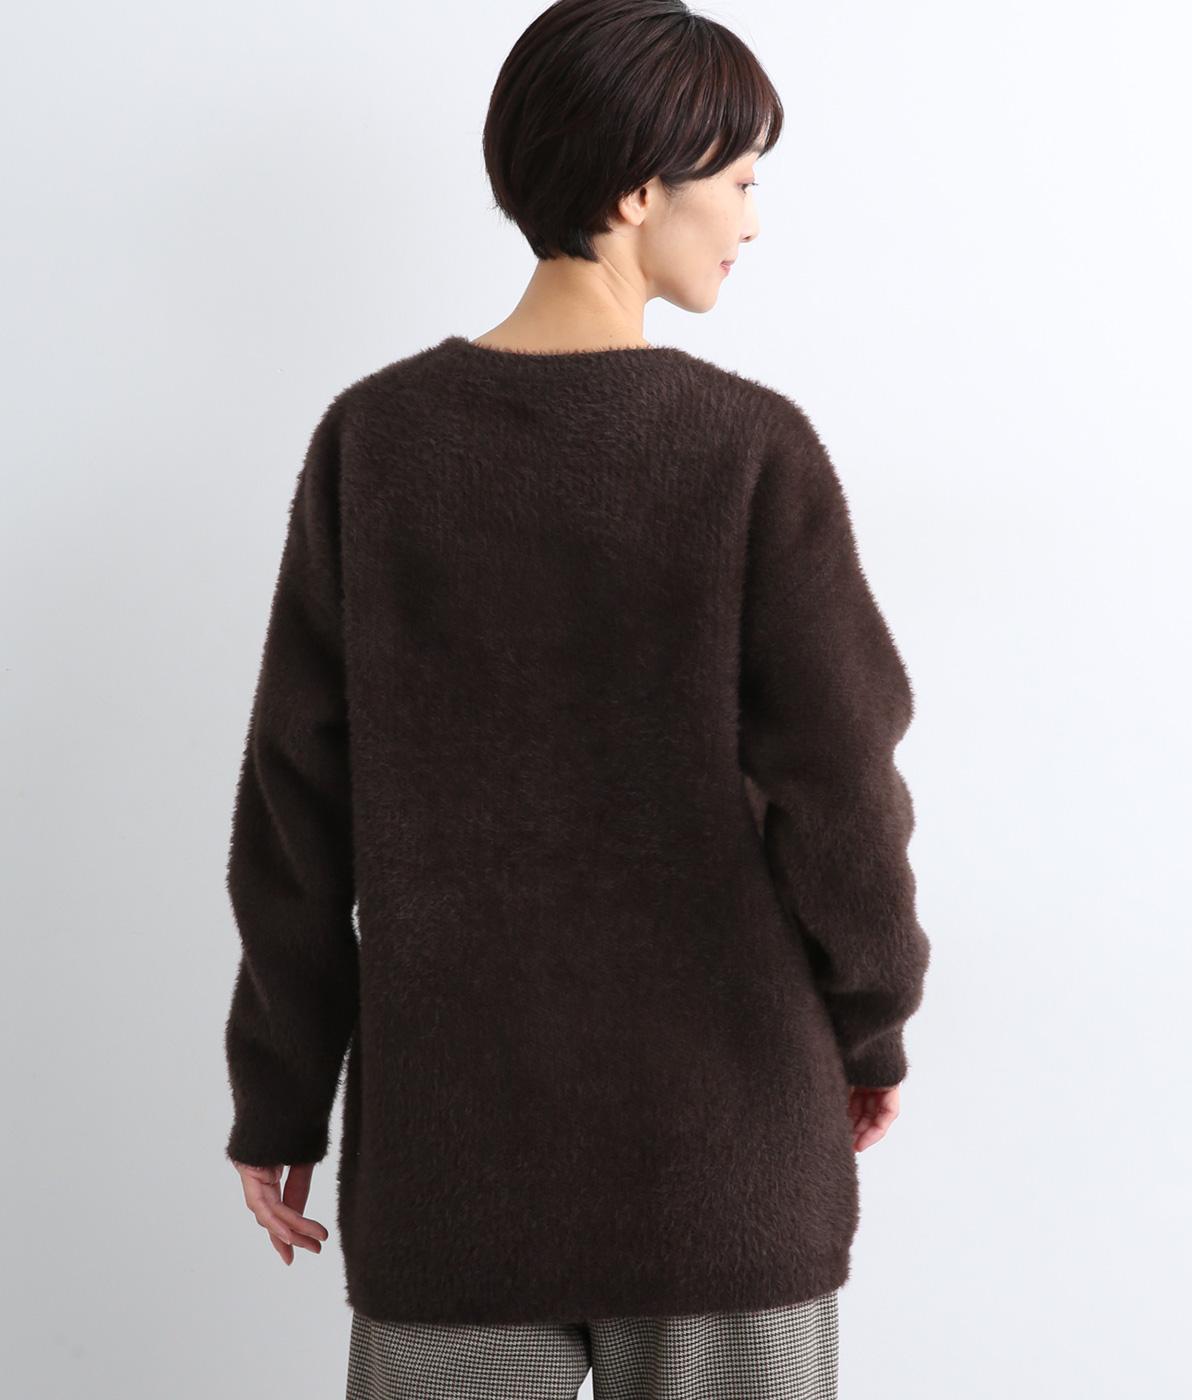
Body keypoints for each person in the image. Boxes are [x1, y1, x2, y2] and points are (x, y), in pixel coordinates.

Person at [222, 1, 931, 1395]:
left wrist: (280, 1095)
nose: (752, 221)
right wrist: (872, 1021)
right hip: (725, 1168)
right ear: (636, 190)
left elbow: (297, 816)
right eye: (740, 181)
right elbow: (845, 786)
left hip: (456, 1178)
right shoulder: (747, 451)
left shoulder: (375, 443)